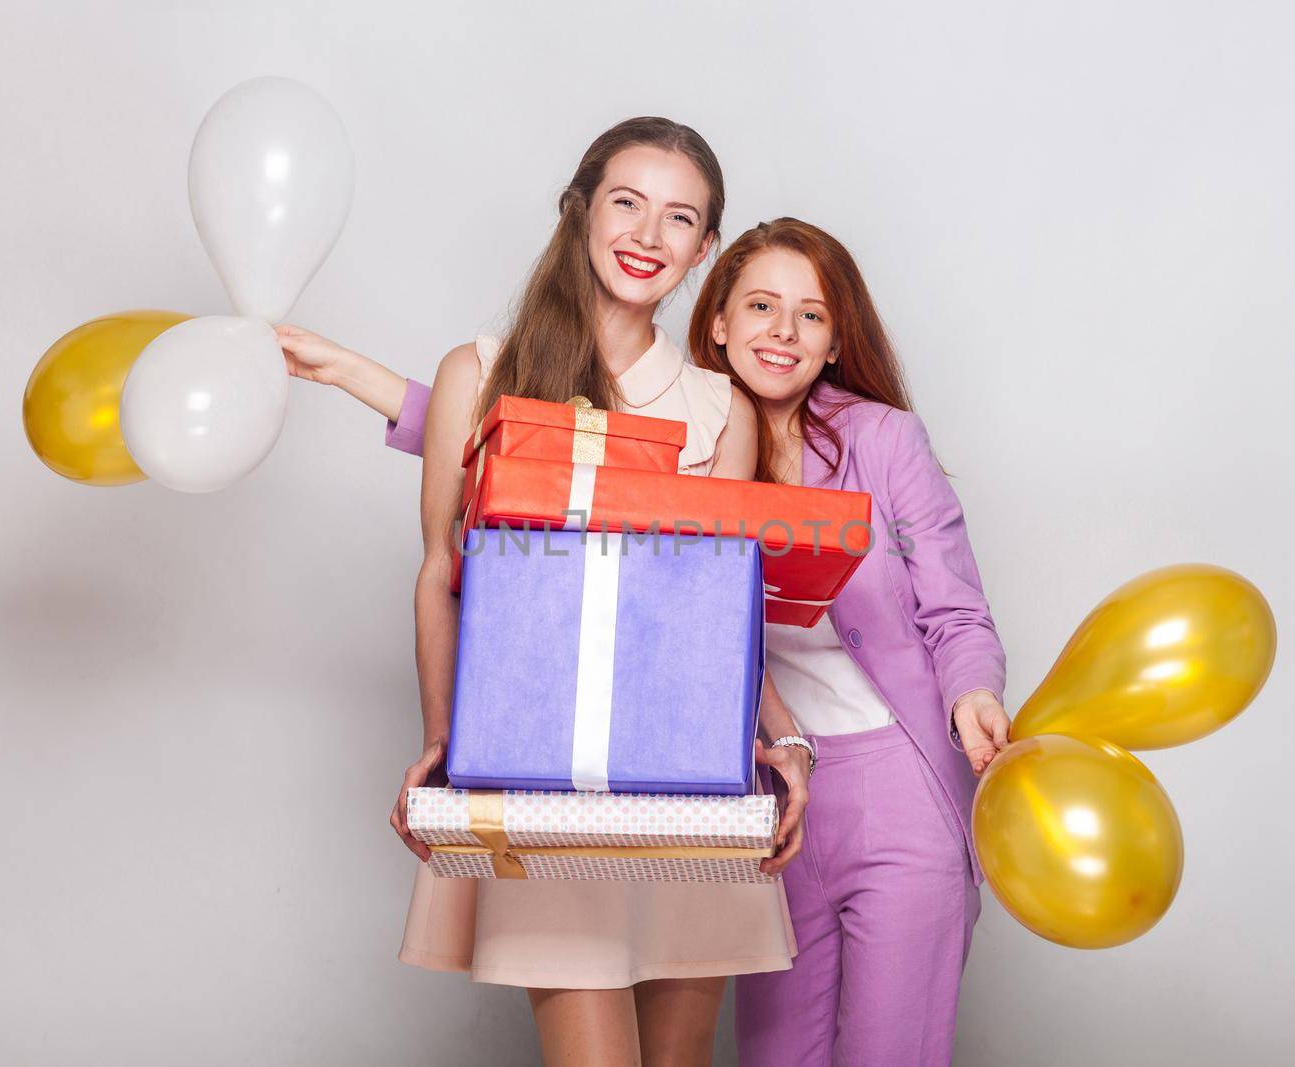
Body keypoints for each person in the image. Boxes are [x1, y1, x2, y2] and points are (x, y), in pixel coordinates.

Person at [278, 118, 813, 1067]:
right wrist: (445, 741)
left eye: (680, 217)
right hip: (535, 778)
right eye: (627, 202)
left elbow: (721, 621)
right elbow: (442, 575)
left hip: (689, 783)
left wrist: (784, 744)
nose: (649, 234)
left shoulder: (720, 408)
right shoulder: (477, 376)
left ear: (705, 249)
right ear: (579, 209)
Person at [688, 218, 1010, 1064]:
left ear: (835, 343)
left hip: (897, 787)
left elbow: (956, 607)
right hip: (767, 792)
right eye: (759, 306)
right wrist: (395, 397)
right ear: (718, 322)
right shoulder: (682, 443)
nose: (782, 333)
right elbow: (557, 453)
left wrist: (975, 692)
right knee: (774, 1054)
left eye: (811, 316)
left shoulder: (884, 439)